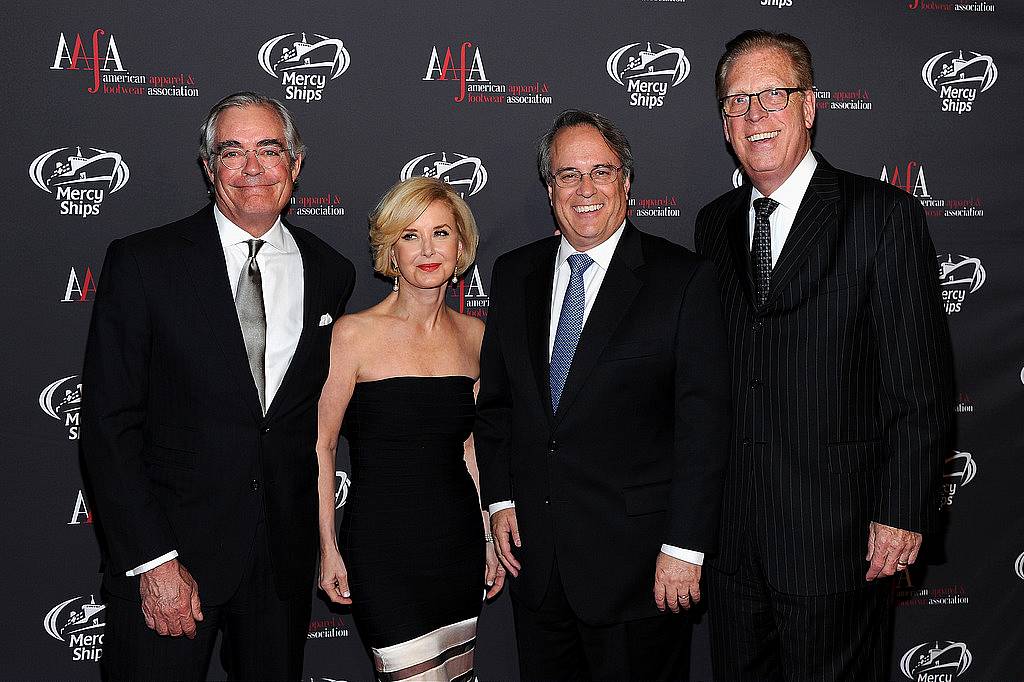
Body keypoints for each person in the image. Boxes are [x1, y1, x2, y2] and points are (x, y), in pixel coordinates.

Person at [694, 30, 953, 680]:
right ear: (724, 120)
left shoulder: (881, 216)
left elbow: (919, 389)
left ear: (810, 105)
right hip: (734, 550)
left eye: (772, 95)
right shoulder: (712, 224)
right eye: (737, 101)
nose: (754, 116)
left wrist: (899, 512)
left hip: (838, 544)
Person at [80, 91, 355, 681]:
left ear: (296, 164)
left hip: (279, 568)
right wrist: (154, 562)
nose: (252, 168)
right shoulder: (144, 263)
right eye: (233, 152)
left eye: (269, 150)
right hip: (170, 556)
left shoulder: (330, 271)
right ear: (209, 168)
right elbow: (108, 424)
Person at [475, 110, 731, 680]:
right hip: (538, 568)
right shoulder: (514, 273)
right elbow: (497, 406)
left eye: (601, 172)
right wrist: (500, 500)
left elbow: (704, 428)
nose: (585, 189)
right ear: (549, 190)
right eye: (568, 175)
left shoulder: (683, 280)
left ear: (627, 182)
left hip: (640, 572)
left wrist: (686, 549)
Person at [315, 176, 503, 681]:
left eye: (441, 233)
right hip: (383, 549)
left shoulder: (476, 337)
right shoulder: (353, 335)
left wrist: (487, 540)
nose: (427, 249)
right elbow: (322, 446)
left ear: (461, 246)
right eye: (410, 235)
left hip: (457, 543)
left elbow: (471, 448)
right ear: (390, 250)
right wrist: (328, 548)